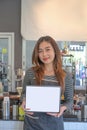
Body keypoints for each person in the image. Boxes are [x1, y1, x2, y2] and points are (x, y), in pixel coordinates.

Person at [21, 36, 73, 130]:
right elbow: (24, 93)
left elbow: (70, 101)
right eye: (40, 51)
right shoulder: (30, 72)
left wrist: (62, 108)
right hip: (32, 124)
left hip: (54, 124)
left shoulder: (66, 75)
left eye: (47, 49)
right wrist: (24, 101)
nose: (44, 54)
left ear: (55, 51)